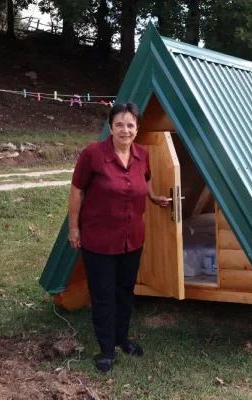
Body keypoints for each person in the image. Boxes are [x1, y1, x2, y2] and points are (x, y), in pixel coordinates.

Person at [67, 102, 170, 372]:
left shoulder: (142, 154)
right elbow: (77, 190)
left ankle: (122, 338)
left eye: (131, 125)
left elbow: (144, 178)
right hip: (99, 240)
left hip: (131, 238)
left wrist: (152, 195)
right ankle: (106, 349)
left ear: (137, 129)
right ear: (111, 127)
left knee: (124, 291)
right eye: (120, 124)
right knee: (103, 294)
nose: (125, 130)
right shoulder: (93, 154)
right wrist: (74, 229)